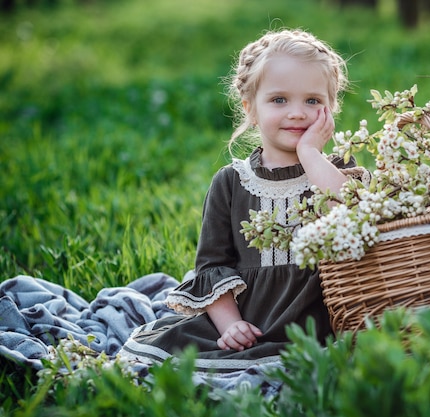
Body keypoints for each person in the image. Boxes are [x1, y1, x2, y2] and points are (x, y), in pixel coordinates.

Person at [119, 29, 358, 374]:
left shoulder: (337, 170)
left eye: (312, 101)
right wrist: (230, 325)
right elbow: (212, 266)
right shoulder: (231, 183)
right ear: (251, 109)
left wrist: (310, 154)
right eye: (279, 100)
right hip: (250, 318)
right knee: (183, 355)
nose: (297, 113)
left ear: (331, 108)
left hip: (320, 319)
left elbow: (353, 219)